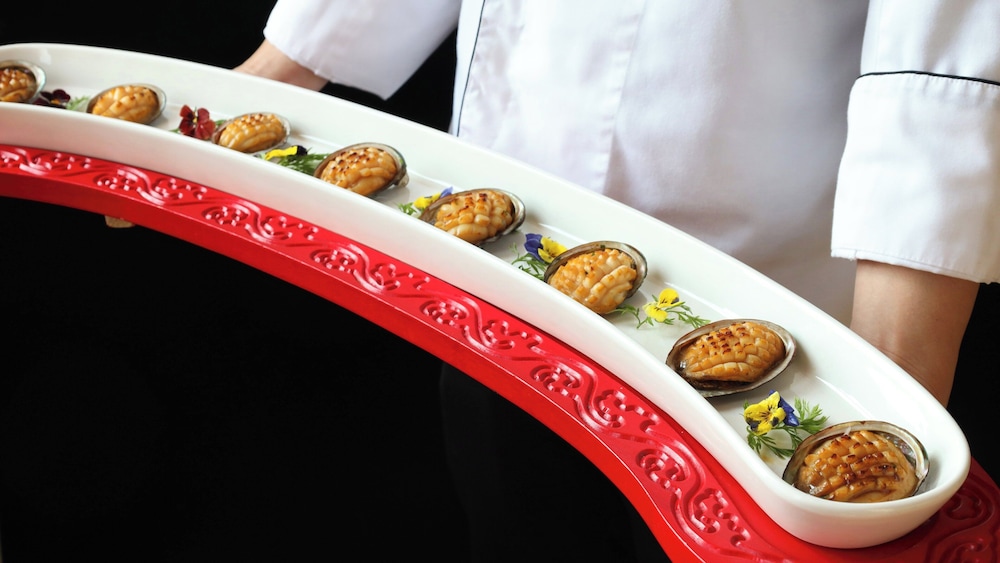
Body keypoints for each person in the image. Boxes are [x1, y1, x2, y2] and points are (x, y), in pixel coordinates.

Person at [236, 1, 997, 560]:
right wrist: (262, 85)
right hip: (495, 272)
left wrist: (888, 411)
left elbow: (939, 66)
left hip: (756, 292)